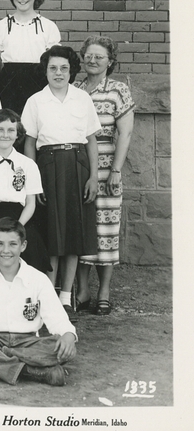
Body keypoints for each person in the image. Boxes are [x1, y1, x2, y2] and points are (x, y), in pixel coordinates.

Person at [0, 218, 77, 386]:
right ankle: (33, 371)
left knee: (64, 349)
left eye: (12, 244)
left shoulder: (38, 279)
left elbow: (57, 316)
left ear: (23, 246)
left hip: (28, 341)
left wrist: (68, 335)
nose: (6, 250)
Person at [23, 46, 101, 315]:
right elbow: (30, 143)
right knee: (51, 234)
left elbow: (91, 140)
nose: (58, 73)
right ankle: (48, 294)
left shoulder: (82, 99)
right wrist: (34, 180)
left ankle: (66, 297)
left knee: (73, 234)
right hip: (47, 166)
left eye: (64, 68)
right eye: (53, 68)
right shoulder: (35, 101)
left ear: (71, 71)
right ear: (45, 71)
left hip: (77, 164)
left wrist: (93, 176)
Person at [73, 37, 135, 316]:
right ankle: (83, 289)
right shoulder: (74, 88)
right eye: (89, 55)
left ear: (110, 61)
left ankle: (104, 291)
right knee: (84, 229)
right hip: (80, 170)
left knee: (106, 231)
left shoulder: (118, 90)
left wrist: (116, 171)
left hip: (108, 170)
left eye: (99, 57)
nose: (93, 61)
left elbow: (125, 132)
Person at [0, 109, 50, 272]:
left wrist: (19, 226)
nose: (5, 135)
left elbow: (30, 203)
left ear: (18, 134)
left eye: (11, 130)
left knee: (30, 246)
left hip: (20, 218)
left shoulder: (28, 164)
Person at [0, 0, 61, 115]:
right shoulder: (1, 27)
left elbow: (54, 66)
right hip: (8, 85)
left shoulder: (48, 26)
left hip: (38, 83)